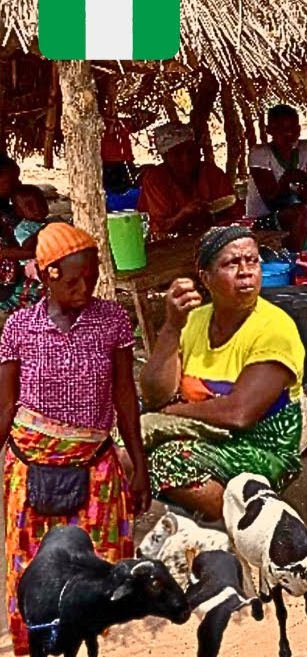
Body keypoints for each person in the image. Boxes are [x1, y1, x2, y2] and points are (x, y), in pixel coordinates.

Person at [1, 224, 146, 656]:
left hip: (95, 467)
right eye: (73, 278)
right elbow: (5, 408)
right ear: (47, 274)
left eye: (92, 275)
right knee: (33, 574)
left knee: (94, 573)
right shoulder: (19, 328)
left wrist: (138, 465)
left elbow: (125, 396)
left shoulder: (112, 322)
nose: (85, 286)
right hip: (29, 468)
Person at [138, 227, 306, 518]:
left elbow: (239, 413)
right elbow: (154, 395)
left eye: (252, 261)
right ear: (205, 277)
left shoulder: (275, 329)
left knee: (166, 460)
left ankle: (246, 518)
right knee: (122, 439)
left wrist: (172, 413)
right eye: (231, 264)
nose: (246, 272)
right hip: (204, 433)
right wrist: (172, 327)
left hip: (260, 446)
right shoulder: (194, 320)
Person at [248, 105, 307, 251]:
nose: (288, 133)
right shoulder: (261, 153)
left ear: (299, 129)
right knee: (299, 212)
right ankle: (294, 262)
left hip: (298, 206)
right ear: (269, 130)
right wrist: (287, 178)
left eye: (293, 128)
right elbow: (270, 199)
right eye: (281, 128)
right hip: (264, 216)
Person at [138, 122, 241, 237]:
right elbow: (159, 227)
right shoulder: (155, 179)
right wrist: (183, 214)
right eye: (177, 153)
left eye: (191, 151)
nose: (186, 158)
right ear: (165, 157)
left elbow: (233, 209)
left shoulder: (211, 172)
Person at [0, 186, 51, 315]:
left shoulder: (47, 223)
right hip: (28, 272)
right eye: (29, 206)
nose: (37, 209)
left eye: (41, 203)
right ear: (19, 212)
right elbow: (30, 252)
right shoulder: (24, 229)